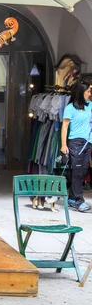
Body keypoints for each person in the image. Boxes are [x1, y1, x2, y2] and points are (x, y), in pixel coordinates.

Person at [60, 82, 92, 212]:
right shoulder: (70, 108)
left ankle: (72, 198)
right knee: (77, 171)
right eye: (88, 91)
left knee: (82, 171)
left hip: (88, 142)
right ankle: (79, 200)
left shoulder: (90, 105)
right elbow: (64, 127)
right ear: (80, 92)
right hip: (75, 143)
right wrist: (63, 144)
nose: (90, 94)